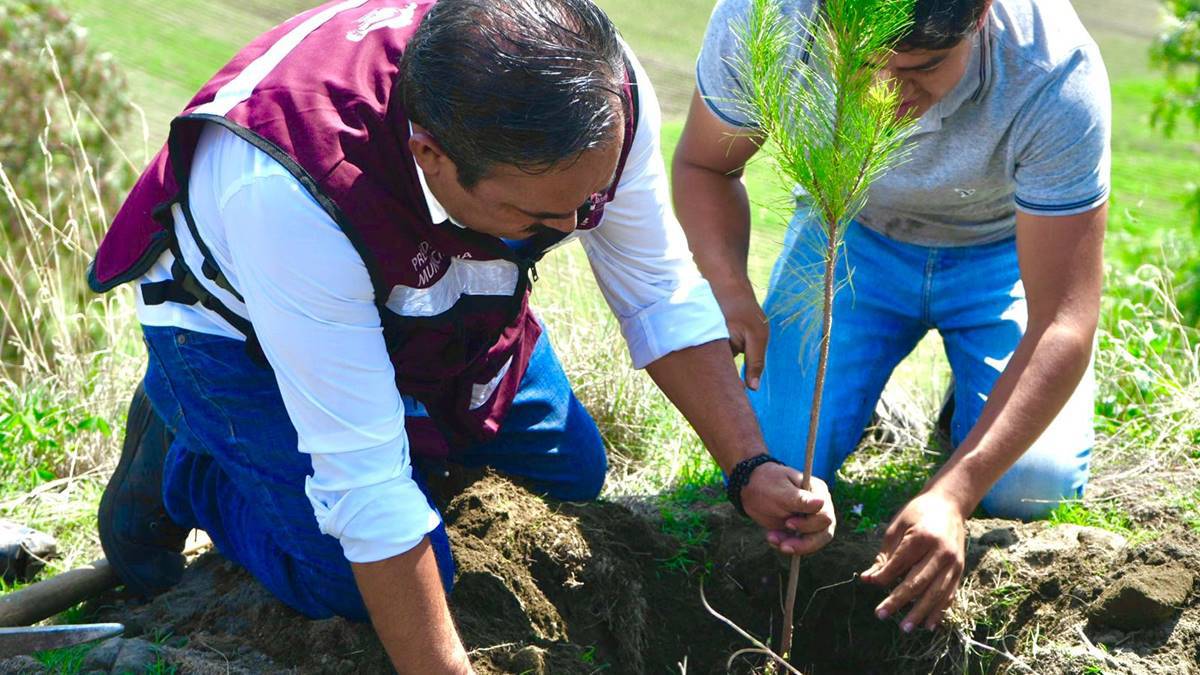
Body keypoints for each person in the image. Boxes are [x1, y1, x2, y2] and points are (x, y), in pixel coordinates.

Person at [88, 0, 837, 671]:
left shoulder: (595, 93)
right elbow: (369, 488)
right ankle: (188, 456)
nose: (575, 230)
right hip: (242, 331)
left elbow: (657, 291)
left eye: (587, 205)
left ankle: (405, 417)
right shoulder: (290, 188)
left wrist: (750, 468)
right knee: (348, 577)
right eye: (543, 221)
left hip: (443, 294)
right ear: (431, 156)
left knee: (571, 471)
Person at [674, 0, 1108, 635]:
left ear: (981, 17)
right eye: (863, 64)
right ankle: (859, 392)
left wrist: (953, 495)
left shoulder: (1052, 69)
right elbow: (705, 164)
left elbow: (1063, 321)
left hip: (1004, 251)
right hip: (850, 234)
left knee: (1029, 488)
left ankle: (970, 405)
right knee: (770, 462)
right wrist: (731, 285)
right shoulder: (766, 18)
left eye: (923, 68)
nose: (886, 92)